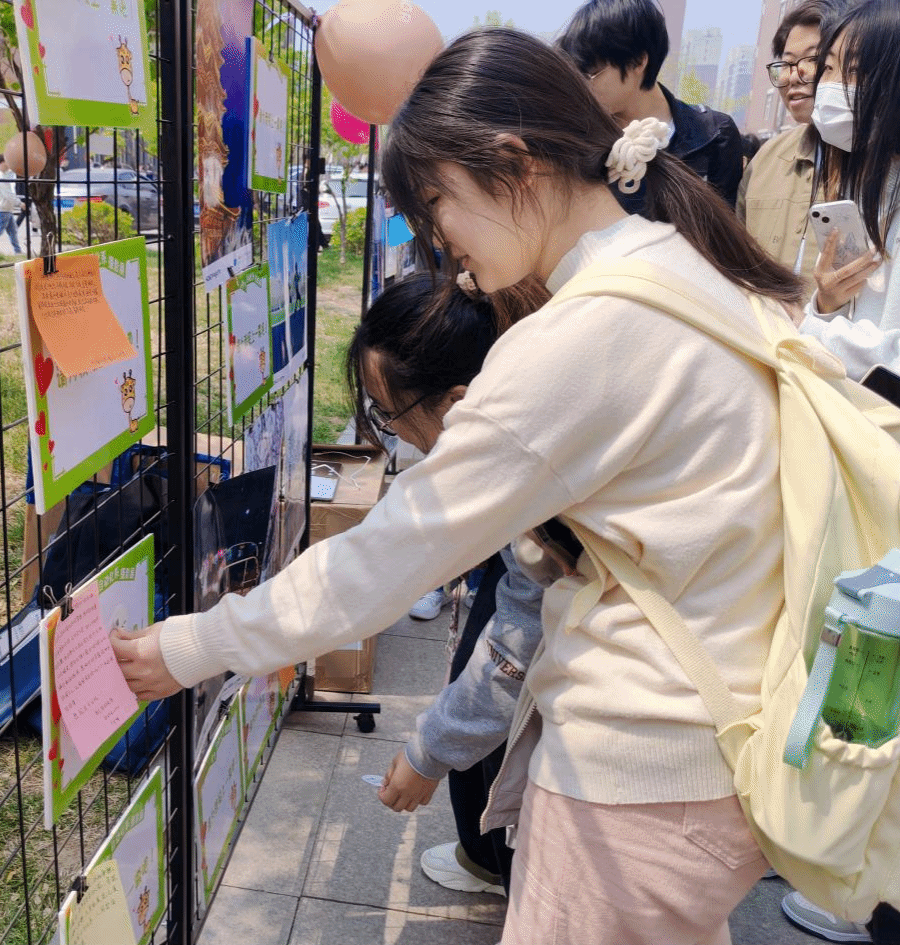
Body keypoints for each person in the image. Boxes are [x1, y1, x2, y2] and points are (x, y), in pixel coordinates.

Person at [114, 27, 805, 944]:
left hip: (641, 772)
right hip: (717, 748)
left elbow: (382, 559)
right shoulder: (682, 264)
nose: (437, 240)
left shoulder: (583, 337)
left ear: (513, 165)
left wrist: (192, 645)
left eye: (436, 203)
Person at [342, 274, 547, 895]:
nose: (392, 429)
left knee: (494, 694)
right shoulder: (520, 420)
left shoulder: (539, 483)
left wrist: (426, 754)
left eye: (390, 411)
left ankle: (508, 868)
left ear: (457, 400)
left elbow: (516, 649)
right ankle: (487, 856)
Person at [796, 0, 898, 382]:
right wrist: (828, 304)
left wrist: (808, 327)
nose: (830, 86)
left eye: (853, 71)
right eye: (828, 68)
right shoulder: (864, 182)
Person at [557, 0, 745, 207]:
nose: (584, 87)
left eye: (591, 74)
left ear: (638, 61)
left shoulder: (715, 135)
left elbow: (723, 224)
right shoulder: (580, 141)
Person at [737, 0, 846, 283]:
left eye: (812, 59)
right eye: (785, 63)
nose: (793, 76)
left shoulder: (882, 166)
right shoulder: (767, 159)